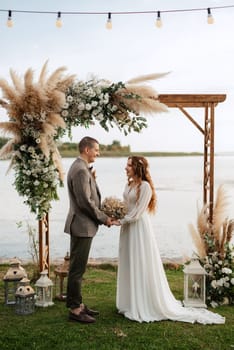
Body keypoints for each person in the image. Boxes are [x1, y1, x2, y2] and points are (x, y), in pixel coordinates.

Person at [113, 156, 225, 324]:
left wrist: (119, 221)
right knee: (129, 261)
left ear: (137, 167)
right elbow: (126, 207)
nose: (125, 168)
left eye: (129, 165)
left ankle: (142, 303)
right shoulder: (128, 185)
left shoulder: (145, 187)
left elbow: (137, 213)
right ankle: (129, 302)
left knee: (139, 262)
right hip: (127, 228)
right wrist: (115, 213)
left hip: (138, 228)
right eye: (126, 164)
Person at [64, 136, 113, 323]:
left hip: (82, 225)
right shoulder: (80, 170)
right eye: (96, 150)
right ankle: (75, 310)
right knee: (77, 269)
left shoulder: (82, 168)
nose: (98, 153)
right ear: (86, 149)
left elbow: (87, 195)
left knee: (78, 268)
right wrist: (104, 218)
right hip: (81, 225)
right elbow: (85, 202)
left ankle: (79, 304)